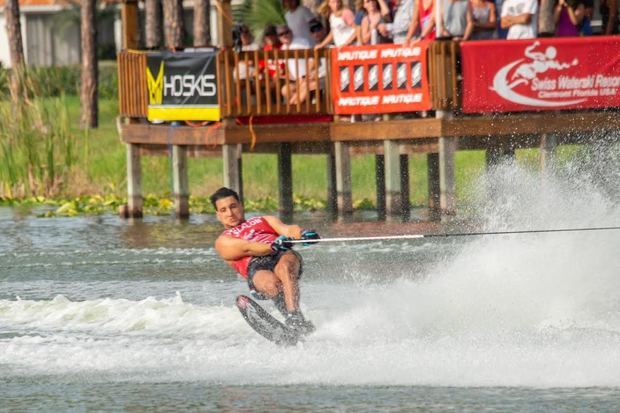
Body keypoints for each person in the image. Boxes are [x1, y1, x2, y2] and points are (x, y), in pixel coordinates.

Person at [210, 187, 320, 334]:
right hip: (256, 265)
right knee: (271, 284)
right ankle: (296, 324)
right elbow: (247, 248)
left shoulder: (264, 220)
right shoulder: (223, 241)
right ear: (218, 215)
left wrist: (303, 233)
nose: (230, 213)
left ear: (241, 206)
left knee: (285, 268)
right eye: (223, 210)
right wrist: (272, 245)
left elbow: (287, 230)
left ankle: (295, 319)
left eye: (233, 206)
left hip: (282, 254)